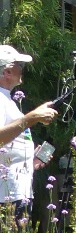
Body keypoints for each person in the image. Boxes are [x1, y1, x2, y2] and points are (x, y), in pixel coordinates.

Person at [0, 44, 59, 209]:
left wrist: (29, 160)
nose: (23, 69)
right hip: (6, 197)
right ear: (7, 71)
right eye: (20, 65)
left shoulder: (7, 99)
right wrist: (33, 117)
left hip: (16, 192)